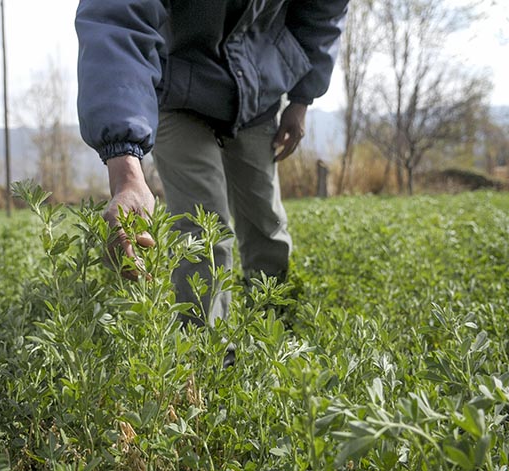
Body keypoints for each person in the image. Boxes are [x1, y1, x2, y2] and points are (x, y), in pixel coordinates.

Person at [76, 0, 349, 328]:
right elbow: (117, 21)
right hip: (178, 91)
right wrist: (126, 171)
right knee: (203, 233)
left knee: (267, 226)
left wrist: (303, 98)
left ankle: (274, 337)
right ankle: (205, 356)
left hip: (257, 90)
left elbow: (322, 10)